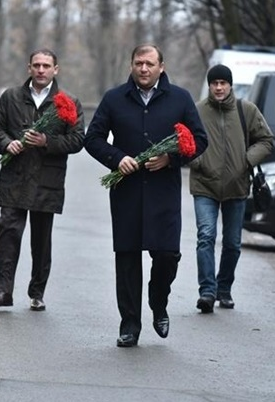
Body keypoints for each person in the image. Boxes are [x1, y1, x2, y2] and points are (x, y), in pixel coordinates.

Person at [84, 44, 208, 347]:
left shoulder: (180, 98)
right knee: (127, 258)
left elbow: (199, 140)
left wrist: (171, 159)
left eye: (150, 64)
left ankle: (158, 300)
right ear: (131, 65)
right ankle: (129, 324)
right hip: (127, 191)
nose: (144, 69)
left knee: (167, 255)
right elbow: (93, 138)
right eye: (139, 63)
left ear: (161, 67)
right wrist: (117, 159)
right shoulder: (114, 98)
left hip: (163, 193)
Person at [0, 48, 85, 311]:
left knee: (41, 239)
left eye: (46, 66)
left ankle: (37, 293)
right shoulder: (11, 97)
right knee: (7, 232)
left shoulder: (68, 102)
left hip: (47, 180)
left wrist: (46, 141)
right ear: (29, 68)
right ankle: (3, 291)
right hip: (15, 177)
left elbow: (77, 140)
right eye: (36, 65)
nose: (41, 70)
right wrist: (7, 144)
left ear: (55, 69)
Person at [189, 64, 273, 313]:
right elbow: (184, 141)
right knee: (206, 236)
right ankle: (207, 291)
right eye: (214, 83)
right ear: (209, 85)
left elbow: (266, 140)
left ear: (230, 85)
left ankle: (224, 289)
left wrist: (245, 161)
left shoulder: (246, 110)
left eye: (223, 83)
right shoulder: (197, 111)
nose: (218, 87)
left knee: (233, 243)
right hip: (204, 184)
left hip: (237, 186)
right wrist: (198, 160)